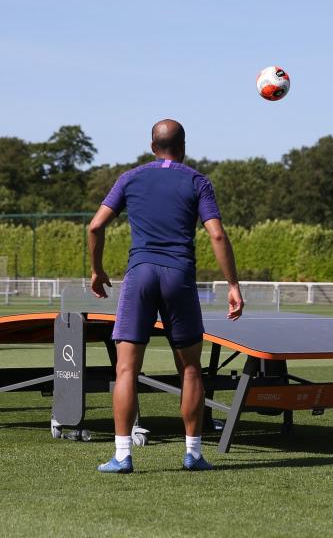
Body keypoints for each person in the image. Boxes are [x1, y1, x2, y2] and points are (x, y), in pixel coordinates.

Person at [88, 119, 244, 473]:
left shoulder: (130, 178)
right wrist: (233, 284)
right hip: (179, 277)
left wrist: (97, 270)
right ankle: (192, 453)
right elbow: (217, 236)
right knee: (190, 368)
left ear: (151, 145)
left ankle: (123, 456)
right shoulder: (197, 181)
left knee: (126, 368)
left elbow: (95, 225)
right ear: (183, 145)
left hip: (140, 275)